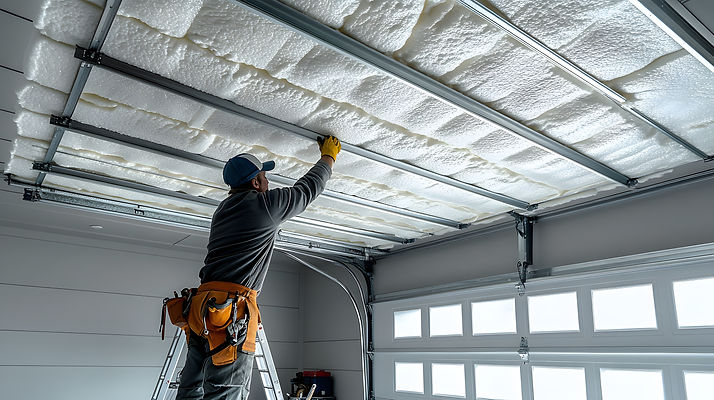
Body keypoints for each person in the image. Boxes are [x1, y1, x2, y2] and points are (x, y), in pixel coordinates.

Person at [175, 135, 342, 400]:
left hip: (203, 309)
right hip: (228, 314)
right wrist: (328, 157)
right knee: (223, 393)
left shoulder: (222, 209)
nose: (268, 181)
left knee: (191, 389)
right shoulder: (263, 205)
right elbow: (307, 189)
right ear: (255, 183)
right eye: (265, 176)